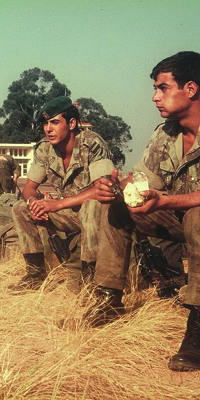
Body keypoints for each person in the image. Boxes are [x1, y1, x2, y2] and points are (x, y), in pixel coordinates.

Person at [89, 51, 200, 371]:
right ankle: (108, 300)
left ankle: (197, 326)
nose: (155, 97)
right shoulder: (166, 133)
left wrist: (165, 201)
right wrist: (116, 185)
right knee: (117, 209)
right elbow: (142, 179)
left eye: (163, 88)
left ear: (191, 89)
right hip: (181, 219)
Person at [8, 96, 115, 293]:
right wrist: (33, 203)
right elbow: (29, 188)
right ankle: (35, 275)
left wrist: (57, 204)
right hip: (70, 213)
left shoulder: (92, 143)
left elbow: (102, 188)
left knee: (91, 206)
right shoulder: (44, 148)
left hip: (98, 216)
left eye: (55, 122)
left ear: (72, 123)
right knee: (20, 208)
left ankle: (90, 280)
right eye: (45, 124)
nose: (48, 129)